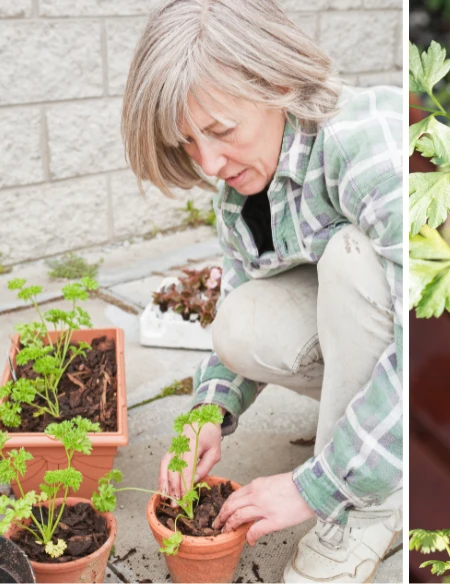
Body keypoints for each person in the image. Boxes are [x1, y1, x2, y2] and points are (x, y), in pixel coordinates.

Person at [120, 1, 403, 581]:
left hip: (434, 352)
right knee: (239, 326)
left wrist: (319, 487)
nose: (210, 163)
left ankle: (368, 505)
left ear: (277, 83)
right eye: (188, 144)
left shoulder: (365, 147)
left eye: (221, 132)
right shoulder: (239, 194)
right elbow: (244, 293)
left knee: (352, 259)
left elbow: (423, 334)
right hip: (376, 337)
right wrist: (209, 407)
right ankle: (363, 432)